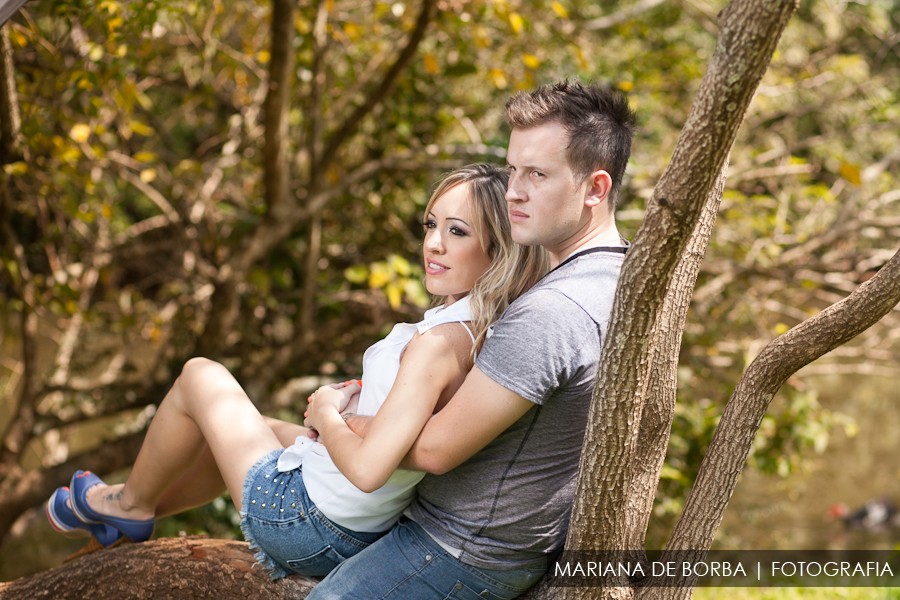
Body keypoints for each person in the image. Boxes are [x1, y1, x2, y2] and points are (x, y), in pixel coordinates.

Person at [44, 163, 548, 579]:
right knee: (249, 428)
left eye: (457, 232)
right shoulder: (477, 329)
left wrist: (328, 413)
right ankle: (131, 510)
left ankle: (128, 504)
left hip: (308, 524)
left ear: (499, 250)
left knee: (201, 377)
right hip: (353, 522)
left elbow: (371, 469)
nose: (434, 243)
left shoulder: (437, 344)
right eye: (431, 224)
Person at [305, 79, 637, 599]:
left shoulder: (553, 311)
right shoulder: (621, 274)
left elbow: (435, 450)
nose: (514, 192)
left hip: (457, 549)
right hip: (492, 541)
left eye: (538, 175)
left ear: (595, 188)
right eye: (513, 170)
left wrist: (344, 420)